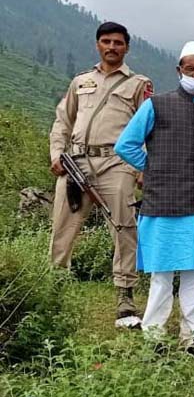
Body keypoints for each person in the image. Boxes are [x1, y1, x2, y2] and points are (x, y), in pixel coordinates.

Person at [115, 41, 194, 359]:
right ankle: (153, 336)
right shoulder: (156, 105)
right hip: (164, 203)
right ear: (179, 70)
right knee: (163, 273)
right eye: (190, 69)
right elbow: (126, 145)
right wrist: (153, 168)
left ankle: (192, 335)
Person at [49, 21, 153, 327]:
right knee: (62, 226)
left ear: (127, 47)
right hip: (77, 162)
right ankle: (55, 284)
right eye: (106, 41)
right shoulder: (80, 81)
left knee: (123, 228)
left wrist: (141, 167)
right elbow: (62, 121)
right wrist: (57, 154)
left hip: (117, 163)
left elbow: (149, 129)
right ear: (98, 45)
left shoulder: (138, 84)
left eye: (118, 42)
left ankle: (125, 294)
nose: (112, 47)